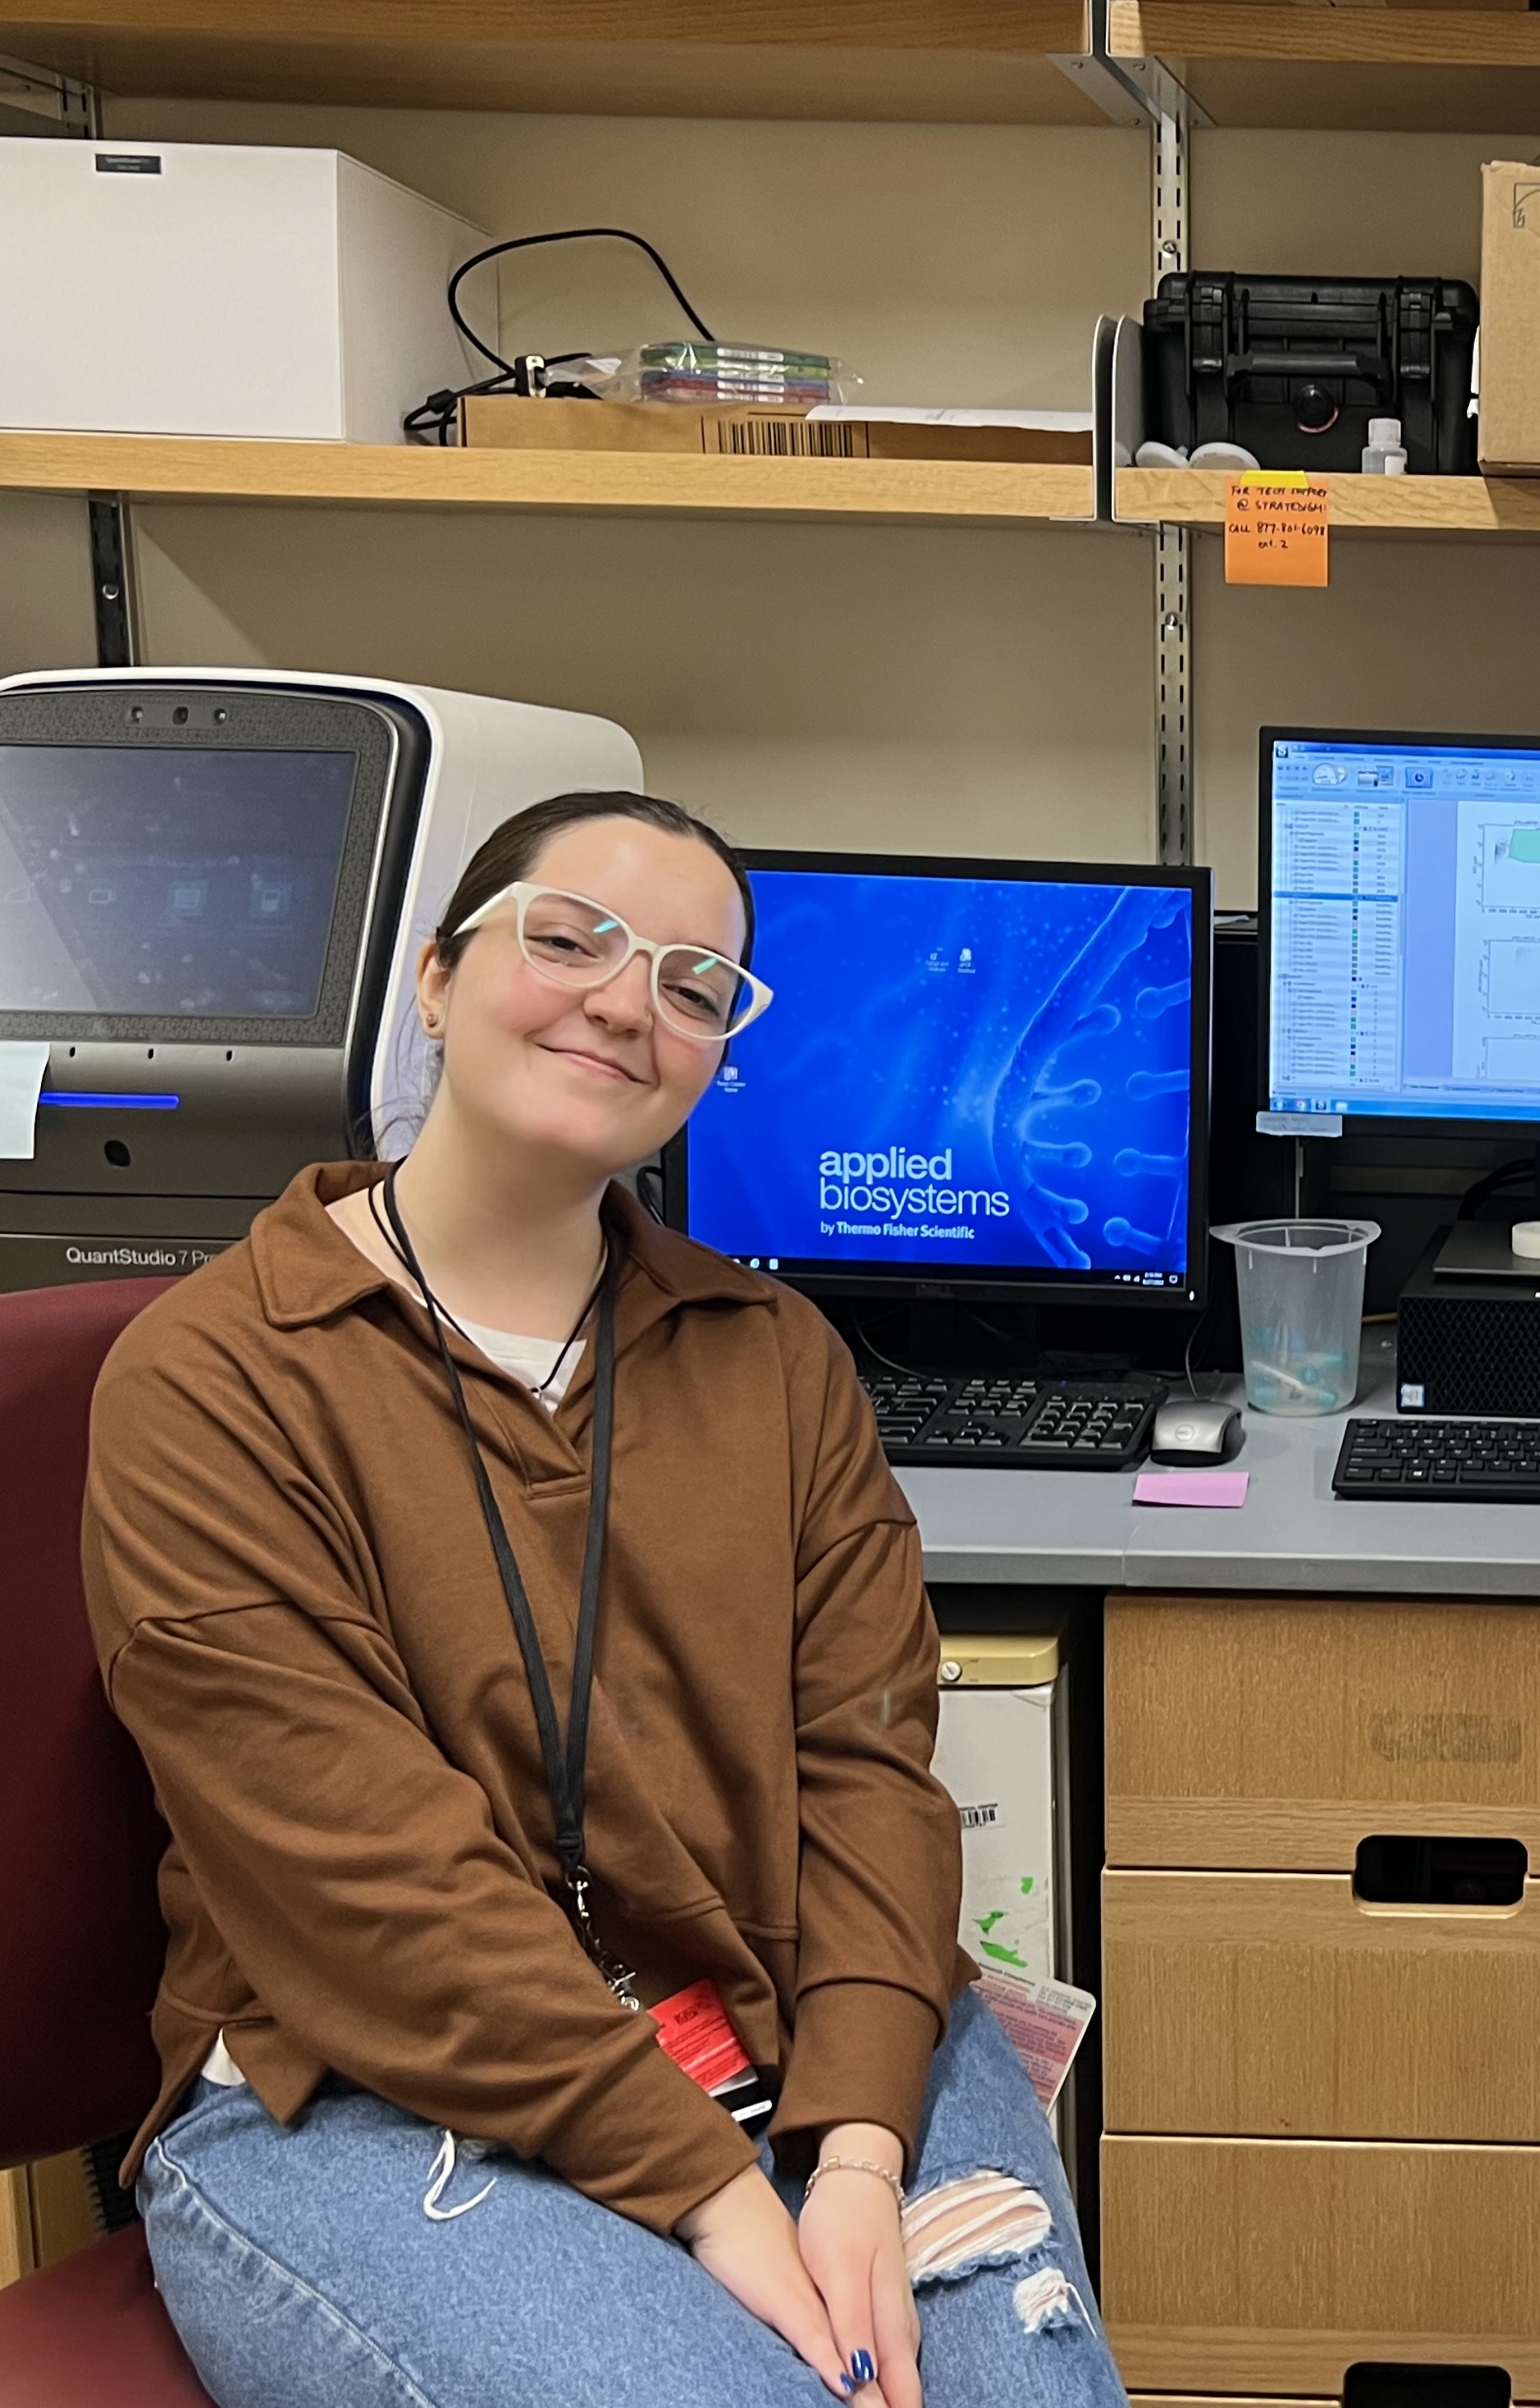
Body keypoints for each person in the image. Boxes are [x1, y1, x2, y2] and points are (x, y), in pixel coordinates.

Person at [84, 790, 1129, 2408]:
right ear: (437, 977)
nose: (629, 1003)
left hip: (779, 2024)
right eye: (571, 940)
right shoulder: (216, 1380)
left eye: (694, 984)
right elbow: (368, 1883)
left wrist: (859, 2152)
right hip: (367, 2082)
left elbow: (868, 1776)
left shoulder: (775, 1361)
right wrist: (715, 2197)